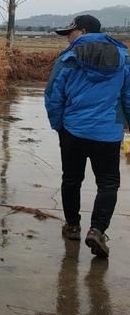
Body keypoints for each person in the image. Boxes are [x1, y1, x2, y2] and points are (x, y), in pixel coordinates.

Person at [44, 14, 130, 258]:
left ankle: (72, 226)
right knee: (108, 183)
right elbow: (128, 97)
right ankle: (97, 230)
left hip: (73, 130)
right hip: (107, 132)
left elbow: (53, 94)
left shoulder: (68, 58)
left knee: (71, 178)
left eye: (69, 33)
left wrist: (59, 125)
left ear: (81, 31)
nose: (67, 38)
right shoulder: (123, 58)